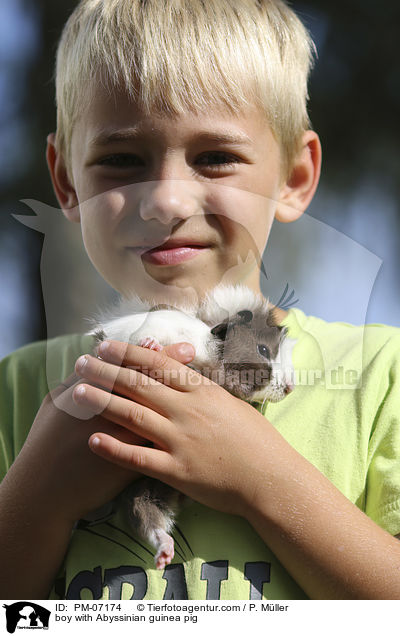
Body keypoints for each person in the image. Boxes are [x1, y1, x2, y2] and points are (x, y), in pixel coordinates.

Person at [1, 0, 400, 601]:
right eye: (120, 161)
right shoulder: (16, 390)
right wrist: (40, 496)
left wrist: (263, 479)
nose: (165, 200)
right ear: (66, 182)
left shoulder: (380, 379)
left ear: (293, 179)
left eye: (215, 158)